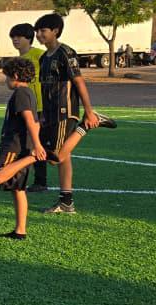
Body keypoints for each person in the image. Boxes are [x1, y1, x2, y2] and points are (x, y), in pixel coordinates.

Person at [34, 13, 117, 215]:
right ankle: (66, 202)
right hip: (50, 112)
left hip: (65, 110)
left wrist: (88, 111)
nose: (39, 35)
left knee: (54, 158)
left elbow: (78, 81)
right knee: (65, 157)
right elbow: (45, 88)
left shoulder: (66, 53)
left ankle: (86, 125)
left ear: (55, 31)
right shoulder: (44, 57)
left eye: (43, 31)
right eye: (37, 31)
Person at [0, 57, 46, 240]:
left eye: (6, 77)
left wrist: (36, 147)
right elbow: (36, 122)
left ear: (15, 75)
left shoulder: (21, 93)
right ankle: (20, 230)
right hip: (23, 145)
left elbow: (29, 119)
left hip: (15, 145)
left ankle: (32, 158)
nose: (5, 81)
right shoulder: (29, 93)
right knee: (18, 188)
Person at [9, 23, 48, 192]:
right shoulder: (16, 61)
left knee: (39, 143)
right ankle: (19, 178)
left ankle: (40, 181)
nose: (15, 40)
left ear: (30, 38)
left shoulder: (40, 55)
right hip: (25, 107)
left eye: (19, 36)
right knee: (25, 143)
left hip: (41, 107)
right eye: (13, 37)